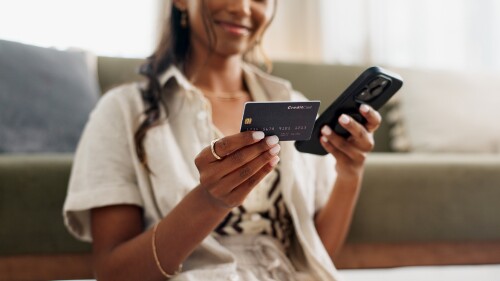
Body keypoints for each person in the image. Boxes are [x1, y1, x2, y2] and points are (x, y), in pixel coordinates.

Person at [63, 0, 381, 280]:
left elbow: (317, 257)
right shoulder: (123, 111)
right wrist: (209, 201)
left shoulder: (293, 105)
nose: (243, 7)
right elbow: (114, 274)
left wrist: (350, 174)